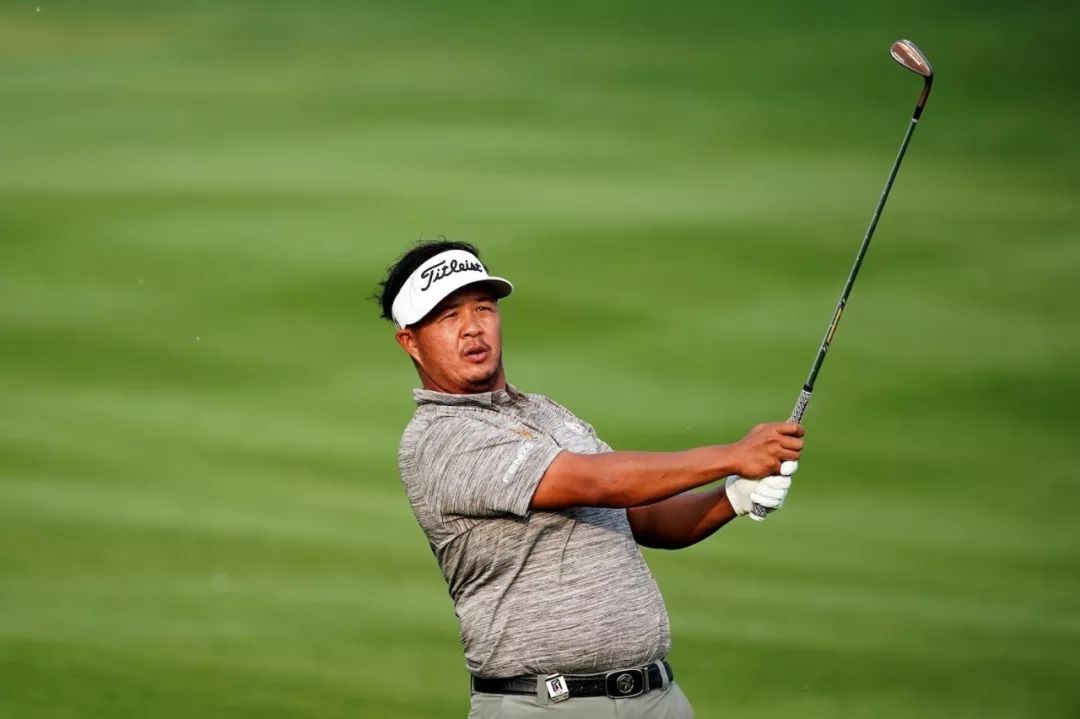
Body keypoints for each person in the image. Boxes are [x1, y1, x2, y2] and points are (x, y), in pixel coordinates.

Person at [376, 239, 804, 718]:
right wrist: (732, 456)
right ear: (410, 341)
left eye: (483, 307)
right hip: (542, 705)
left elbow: (644, 517)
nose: (472, 327)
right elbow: (594, 482)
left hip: (656, 698)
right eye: (447, 316)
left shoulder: (544, 412)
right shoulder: (439, 439)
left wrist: (734, 497)